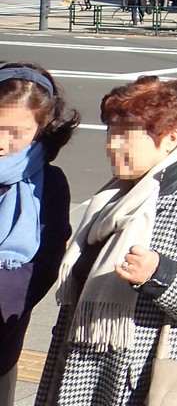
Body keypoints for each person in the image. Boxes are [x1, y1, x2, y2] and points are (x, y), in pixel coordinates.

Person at [36, 76, 177, 406]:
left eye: (126, 138)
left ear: (170, 139)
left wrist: (158, 273)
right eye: (112, 134)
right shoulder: (111, 196)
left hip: (137, 376)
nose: (113, 146)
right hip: (77, 363)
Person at [0, 64, 78, 406]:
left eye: (18, 132)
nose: (3, 143)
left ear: (41, 130)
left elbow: (47, 262)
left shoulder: (49, 183)